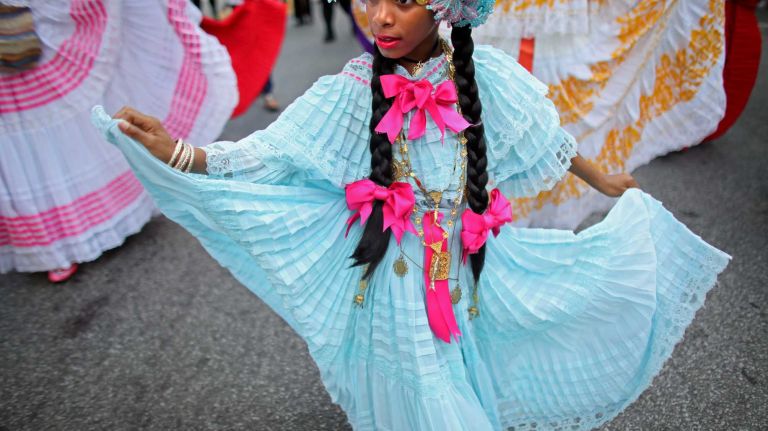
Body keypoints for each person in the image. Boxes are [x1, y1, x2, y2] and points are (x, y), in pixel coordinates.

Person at [92, 0, 730, 429]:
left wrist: (603, 178)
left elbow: (547, 137)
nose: (380, 17)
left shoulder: (488, 78)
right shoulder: (350, 86)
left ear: (448, 7)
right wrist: (176, 151)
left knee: (483, 341)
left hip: (464, 263)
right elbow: (266, 154)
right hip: (393, 269)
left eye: (403, 0)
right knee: (420, 370)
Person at [0, 0, 237, 282]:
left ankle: (102, 217)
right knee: (32, 146)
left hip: (36, 44)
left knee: (70, 137)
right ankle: (51, 245)